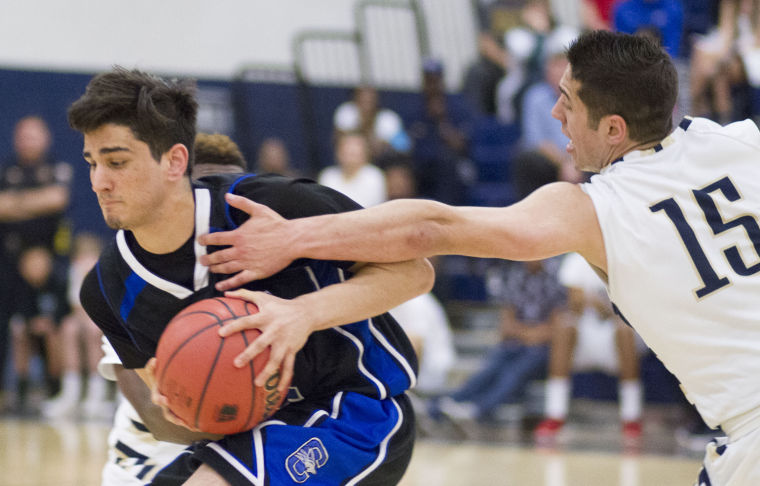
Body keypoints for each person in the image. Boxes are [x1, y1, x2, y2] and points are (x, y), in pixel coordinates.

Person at [198, 31, 760, 485]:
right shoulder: (742, 142)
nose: (557, 115)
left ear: (613, 129)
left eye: (568, 104)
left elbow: (431, 227)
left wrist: (295, 237)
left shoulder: (592, 207)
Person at [68, 67, 433, 486]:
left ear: (175, 162)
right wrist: (182, 406)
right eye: (91, 163)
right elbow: (166, 424)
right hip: (247, 433)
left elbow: (413, 272)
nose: (99, 182)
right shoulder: (107, 287)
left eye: (116, 162)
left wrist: (303, 314)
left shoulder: (269, 206)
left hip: (354, 411)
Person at [433, 258, 566, 424]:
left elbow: (558, 328)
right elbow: (507, 325)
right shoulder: (514, 275)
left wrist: (527, 334)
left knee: (514, 373)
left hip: (545, 349)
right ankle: (444, 405)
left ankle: (478, 410)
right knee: (488, 369)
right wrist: (529, 334)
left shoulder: (557, 277)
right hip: (516, 343)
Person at [533, 252, 643, 447]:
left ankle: (631, 418)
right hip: (583, 336)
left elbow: (624, 308)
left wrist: (598, 303)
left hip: (613, 335)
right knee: (563, 326)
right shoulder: (575, 261)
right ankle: (555, 416)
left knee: (625, 330)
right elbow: (575, 303)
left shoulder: (622, 258)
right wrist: (600, 303)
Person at [0, 115, 72, 413]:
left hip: (46, 260)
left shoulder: (56, 168)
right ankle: (11, 392)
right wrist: (34, 202)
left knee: (47, 324)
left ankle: (57, 390)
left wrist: (15, 204)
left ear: (45, 138)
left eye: (34, 135)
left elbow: (57, 199)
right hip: (7, 259)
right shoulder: (8, 169)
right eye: (23, 135)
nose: (28, 141)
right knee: (10, 326)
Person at [42, 232, 111, 420]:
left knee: (93, 330)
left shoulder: (105, 272)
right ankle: (70, 393)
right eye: (82, 255)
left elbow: (105, 304)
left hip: (103, 319)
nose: (86, 260)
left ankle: (97, 396)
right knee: (68, 328)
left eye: (91, 255)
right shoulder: (73, 272)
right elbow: (75, 304)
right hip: (81, 316)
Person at [332, 85, 411, 158]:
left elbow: (403, 146)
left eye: (370, 100)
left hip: (384, 160)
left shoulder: (389, 118)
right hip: (351, 157)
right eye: (362, 99)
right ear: (355, 99)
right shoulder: (346, 112)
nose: (366, 104)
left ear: (377, 100)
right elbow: (338, 139)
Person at [318, 131, 387, 207]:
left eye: (355, 148)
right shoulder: (328, 176)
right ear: (337, 152)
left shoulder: (374, 176)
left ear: (365, 152)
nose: (350, 151)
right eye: (346, 147)